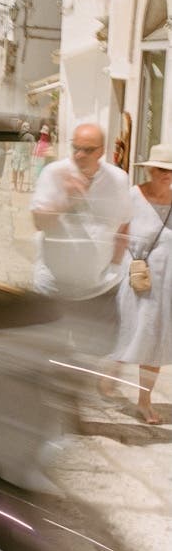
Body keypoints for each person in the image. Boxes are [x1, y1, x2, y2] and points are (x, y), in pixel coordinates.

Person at [30, 123, 131, 357]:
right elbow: (39, 223)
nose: (79, 155)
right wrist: (67, 201)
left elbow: (124, 223)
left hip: (97, 291)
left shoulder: (118, 179)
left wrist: (114, 268)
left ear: (101, 151)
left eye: (87, 150)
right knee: (47, 358)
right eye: (75, 147)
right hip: (54, 289)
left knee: (94, 357)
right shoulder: (54, 173)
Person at [108, 144, 172, 424]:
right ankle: (109, 377)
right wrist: (111, 271)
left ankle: (144, 401)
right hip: (135, 279)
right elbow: (120, 235)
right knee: (128, 332)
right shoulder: (133, 196)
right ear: (150, 170)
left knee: (157, 341)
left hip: (167, 281)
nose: (168, 176)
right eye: (162, 170)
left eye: (171, 171)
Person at [10, 121, 35, 192]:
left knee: (21, 172)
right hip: (17, 154)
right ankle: (16, 187)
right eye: (25, 126)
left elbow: (33, 146)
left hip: (23, 155)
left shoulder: (30, 136)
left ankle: (19, 188)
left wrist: (30, 153)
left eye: (28, 126)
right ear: (22, 127)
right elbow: (13, 144)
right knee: (15, 171)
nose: (27, 128)